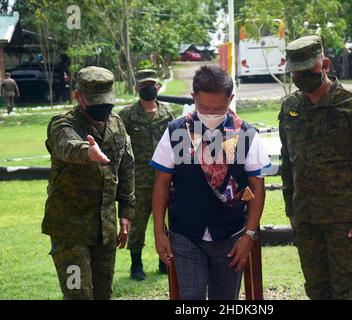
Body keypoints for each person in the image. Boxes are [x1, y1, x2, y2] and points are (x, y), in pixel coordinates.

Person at [279, 35, 352, 300]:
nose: (300, 77)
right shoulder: (290, 107)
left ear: (325, 64)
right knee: (316, 290)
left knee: (347, 291)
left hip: (345, 221)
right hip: (306, 218)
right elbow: (287, 162)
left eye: (307, 71)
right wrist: (291, 210)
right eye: (295, 72)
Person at [151, 65, 270, 300]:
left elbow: (255, 188)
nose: (212, 114)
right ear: (193, 98)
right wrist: (159, 233)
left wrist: (249, 235)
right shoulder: (177, 132)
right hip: (186, 235)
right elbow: (161, 185)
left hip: (232, 235)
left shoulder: (246, 134)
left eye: (220, 108)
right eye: (204, 108)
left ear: (231, 99)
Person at [42, 66, 135, 300]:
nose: (102, 106)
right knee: (78, 295)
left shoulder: (116, 124)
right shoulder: (62, 124)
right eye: (94, 101)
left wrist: (126, 211)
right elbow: (66, 146)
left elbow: (126, 167)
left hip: (105, 229)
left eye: (105, 100)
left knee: (103, 293)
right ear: (78, 97)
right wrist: (87, 151)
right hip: (70, 231)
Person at [119, 69, 175, 280]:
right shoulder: (127, 115)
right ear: (137, 89)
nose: (148, 89)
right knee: (138, 225)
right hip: (139, 181)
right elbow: (121, 146)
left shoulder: (167, 113)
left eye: (151, 85)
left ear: (158, 87)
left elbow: (176, 143)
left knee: (167, 223)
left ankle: (164, 261)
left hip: (165, 178)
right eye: (143, 86)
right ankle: (136, 264)